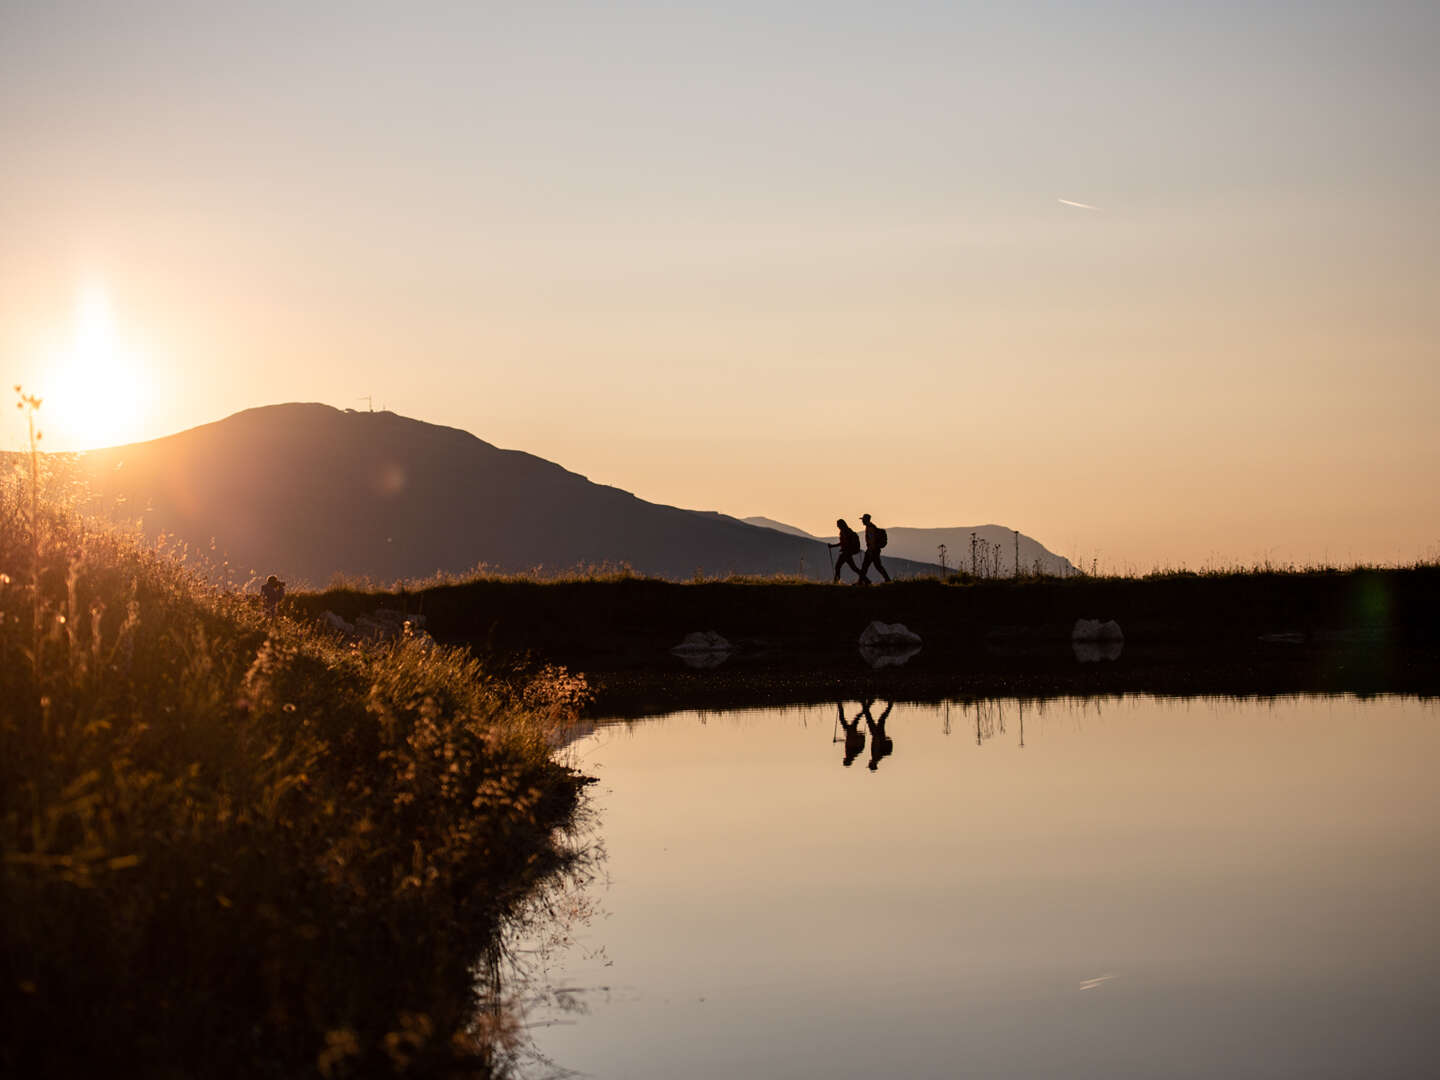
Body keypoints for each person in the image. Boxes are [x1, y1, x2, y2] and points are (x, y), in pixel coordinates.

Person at [860, 699, 894, 771]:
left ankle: (889, 705)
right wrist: (877, 737)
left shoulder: (876, 757)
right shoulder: (876, 756)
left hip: (876, 734)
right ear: (873, 764)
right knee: (875, 719)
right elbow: (877, 744)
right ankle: (865, 703)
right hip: (877, 734)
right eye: (870, 764)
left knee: (878, 719)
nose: (869, 763)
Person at [857, 513, 891, 584]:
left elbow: (872, 540)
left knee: (865, 566)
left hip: (872, 550)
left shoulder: (870, 528)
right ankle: (887, 580)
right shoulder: (871, 527)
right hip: (874, 550)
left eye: (863, 520)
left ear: (866, 520)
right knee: (877, 566)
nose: (862, 521)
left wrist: (870, 550)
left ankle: (860, 582)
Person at [828, 518, 864, 583]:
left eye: (838, 524)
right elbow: (844, 542)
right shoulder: (847, 531)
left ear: (841, 525)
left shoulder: (845, 532)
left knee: (838, 566)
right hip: (847, 552)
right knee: (853, 568)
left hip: (846, 552)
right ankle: (866, 579)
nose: (837, 526)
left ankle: (836, 581)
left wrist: (832, 546)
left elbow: (843, 542)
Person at [836, 702, 866, 767]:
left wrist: (838, 740)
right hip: (851, 732)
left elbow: (847, 741)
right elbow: (850, 741)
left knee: (851, 719)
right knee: (854, 719)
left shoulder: (851, 753)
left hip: (850, 732)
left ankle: (840, 705)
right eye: (845, 759)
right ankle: (865, 709)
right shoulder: (853, 752)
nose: (844, 757)